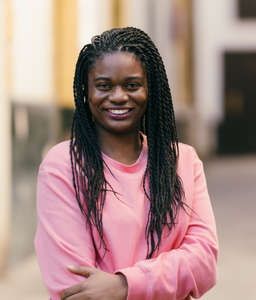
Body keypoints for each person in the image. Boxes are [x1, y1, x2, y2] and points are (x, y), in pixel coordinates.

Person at [34, 27, 218, 300]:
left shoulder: (183, 161)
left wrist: (125, 285)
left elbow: (204, 262)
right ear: (87, 92)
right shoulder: (63, 166)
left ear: (150, 90)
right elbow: (74, 288)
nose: (119, 96)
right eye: (104, 85)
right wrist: (169, 280)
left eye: (132, 85)